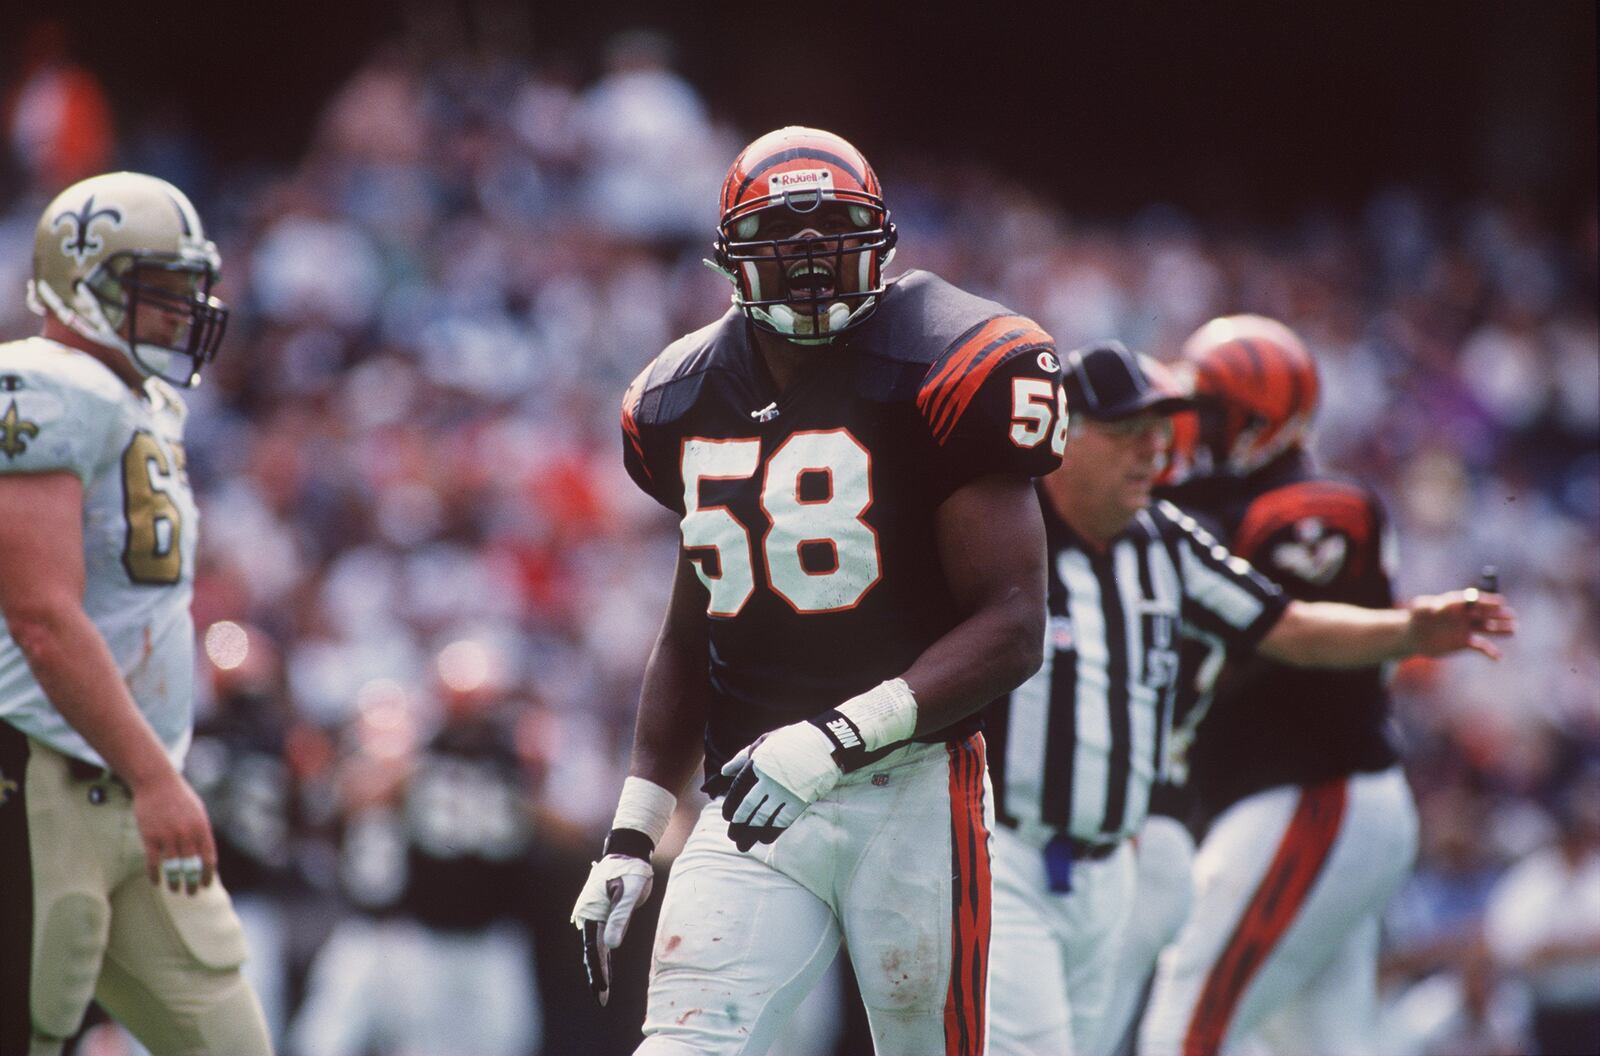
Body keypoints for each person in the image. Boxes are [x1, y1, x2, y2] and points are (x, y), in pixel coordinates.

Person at [570, 125, 1068, 1056]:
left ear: (880, 239)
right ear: (730, 259)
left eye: (833, 234)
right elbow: (692, 632)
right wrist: (633, 834)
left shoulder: (949, 359)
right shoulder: (677, 399)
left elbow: (1011, 625)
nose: (809, 266)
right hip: (754, 794)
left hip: (912, 784)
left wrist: (837, 735)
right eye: (783, 242)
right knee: (683, 1046)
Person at [982, 340, 1516, 1056]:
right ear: (1066, 435)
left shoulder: (1220, 527)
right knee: (1304, 1040)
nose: (1163, 448)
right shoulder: (1017, 530)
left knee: (1185, 1029)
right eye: (1131, 434)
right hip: (1043, 848)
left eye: (1177, 422)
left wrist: (1412, 628)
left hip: (1293, 801)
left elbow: (1286, 625)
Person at [1138, 314, 1511, 1056]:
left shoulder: (1310, 510)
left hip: (1314, 793)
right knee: (1319, 1043)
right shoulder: (1209, 511)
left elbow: (1281, 636)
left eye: (1203, 412)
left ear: (1258, 417)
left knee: (1184, 1033)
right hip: (1300, 801)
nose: (1186, 432)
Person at [0, 172, 272, 1055]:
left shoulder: (144, 400)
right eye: (157, 290)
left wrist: (153, 775)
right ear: (80, 284)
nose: (180, 311)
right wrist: (155, 776)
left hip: (133, 779)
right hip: (39, 770)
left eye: (188, 288)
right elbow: (39, 613)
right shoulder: (37, 381)